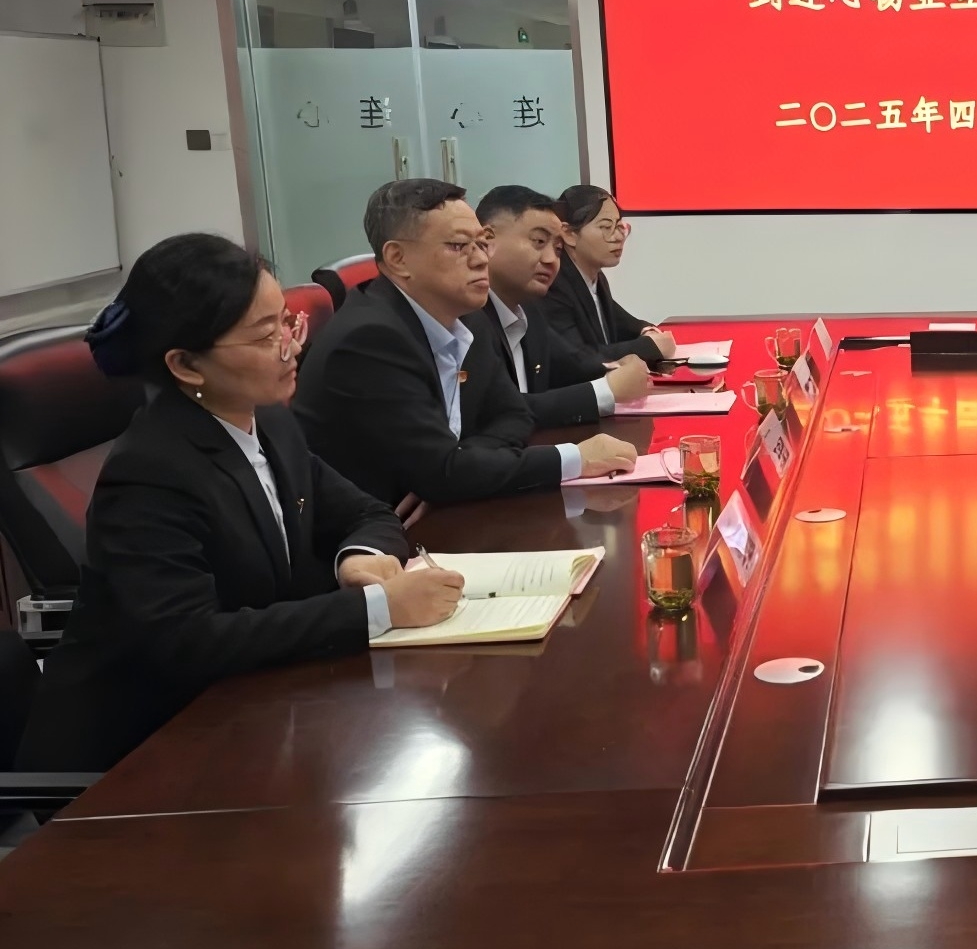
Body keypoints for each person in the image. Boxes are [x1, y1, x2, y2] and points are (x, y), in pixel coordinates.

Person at [13, 234, 465, 772]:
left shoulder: (267, 419)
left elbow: (366, 512)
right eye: (266, 335)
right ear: (186, 365)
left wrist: (358, 559)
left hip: (251, 709)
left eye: (288, 322)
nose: (291, 346)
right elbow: (190, 640)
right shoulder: (149, 474)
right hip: (138, 753)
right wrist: (377, 609)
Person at [294, 179, 638, 506]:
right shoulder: (368, 340)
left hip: (445, 510)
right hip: (381, 534)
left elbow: (513, 414)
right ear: (398, 259)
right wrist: (574, 459)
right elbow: (441, 474)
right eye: (459, 246)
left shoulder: (466, 318)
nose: (480, 260)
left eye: (481, 244)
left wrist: (462, 461)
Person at [474, 184, 652, 428]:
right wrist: (606, 390)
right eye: (538, 241)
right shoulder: (466, 319)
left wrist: (617, 368)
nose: (551, 259)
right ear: (487, 240)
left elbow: (573, 364)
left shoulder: (528, 310)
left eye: (557, 249)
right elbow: (497, 412)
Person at [545, 184, 675, 370]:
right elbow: (579, 358)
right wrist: (650, 346)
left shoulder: (594, 276)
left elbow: (623, 323)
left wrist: (647, 331)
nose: (618, 237)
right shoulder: (553, 284)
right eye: (606, 227)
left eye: (620, 226)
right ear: (569, 234)